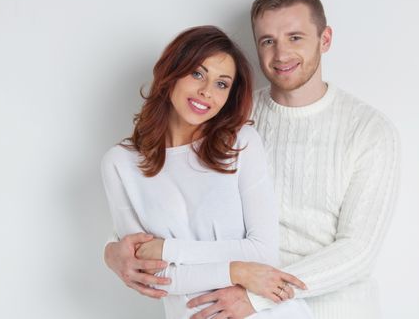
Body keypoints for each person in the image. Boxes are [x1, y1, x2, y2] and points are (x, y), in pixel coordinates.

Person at [105, 0, 401, 319]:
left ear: (325, 39)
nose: (281, 54)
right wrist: (112, 251)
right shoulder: (230, 117)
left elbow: (358, 251)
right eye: (268, 41)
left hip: (327, 308)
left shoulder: (370, 131)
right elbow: (163, 197)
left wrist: (258, 295)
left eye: (295, 37)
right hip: (227, 298)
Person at [101, 25, 314, 319]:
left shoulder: (239, 145)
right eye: (198, 74)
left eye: (222, 84)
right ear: (172, 72)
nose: (206, 92)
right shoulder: (120, 164)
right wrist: (236, 270)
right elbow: (149, 274)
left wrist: (168, 250)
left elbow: (263, 253)